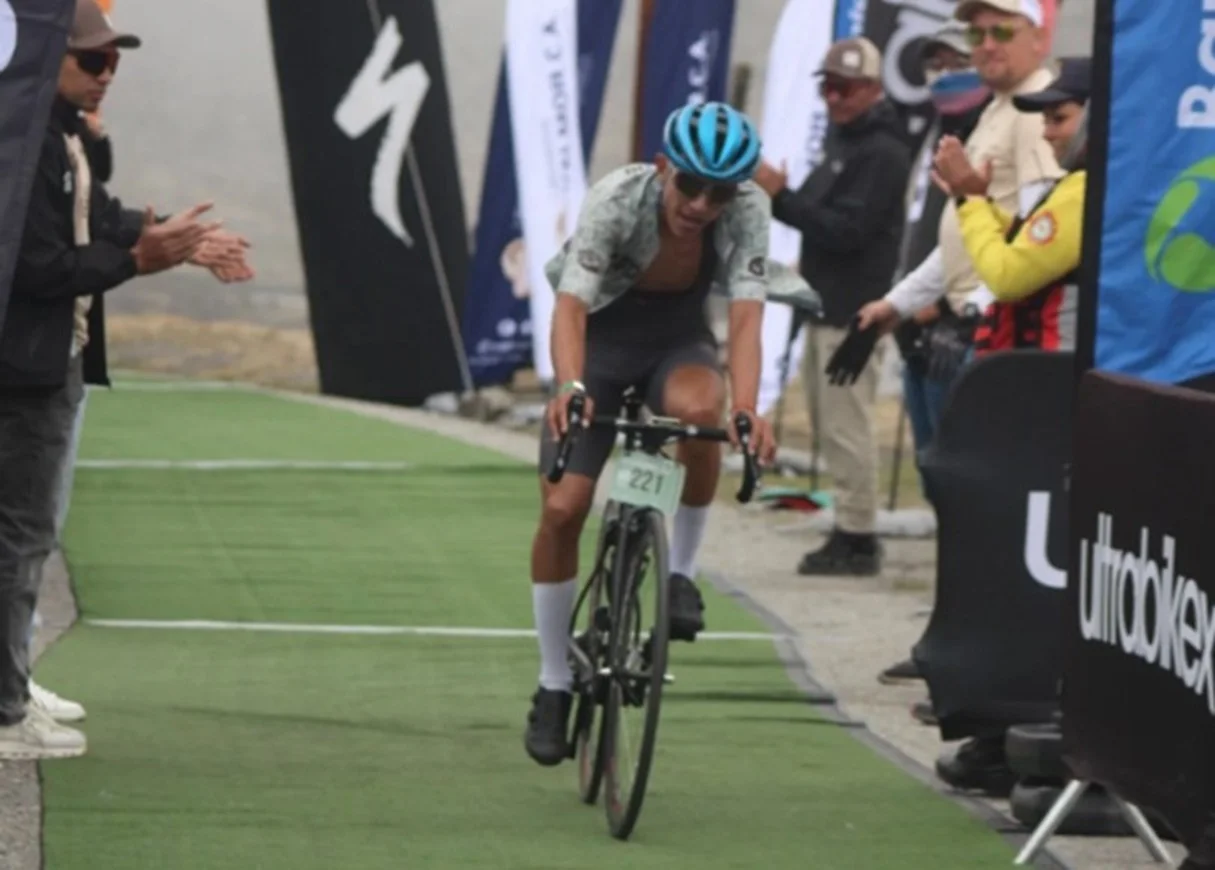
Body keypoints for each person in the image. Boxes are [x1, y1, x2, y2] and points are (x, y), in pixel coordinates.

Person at [0, 0, 252, 760]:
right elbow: (39, 269)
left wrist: (179, 237)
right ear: (49, 59)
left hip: (48, 361)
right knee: (21, 536)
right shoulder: (26, 147)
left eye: (113, 60)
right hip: (27, 369)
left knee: (27, 535)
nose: (107, 73)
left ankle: (12, 683)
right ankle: (5, 709)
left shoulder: (60, 137)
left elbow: (101, 216)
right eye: (92, 59)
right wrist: (143, 260)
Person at [523, 101, 778, 766]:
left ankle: (681, 574)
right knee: (563, 508)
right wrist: (569, 386)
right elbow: (570, 306)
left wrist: (748, 407)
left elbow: (746, 319)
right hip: (600, 343)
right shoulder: (617, 198)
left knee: (702, 413)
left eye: (718, 193)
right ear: (663, 167)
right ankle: (553, 682)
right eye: (689, 185)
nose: (700, 205)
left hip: (675, 341)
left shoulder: (748, 209)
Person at [752, 37, 913, 576]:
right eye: (828, 87)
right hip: (829, 306)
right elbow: (827, 222)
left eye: (845, 88)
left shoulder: (882, 152)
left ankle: (858, 535)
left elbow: (848, 230)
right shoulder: (846, 143)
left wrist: (781, 198)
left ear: (871, 89)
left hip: (854, 313)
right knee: (832, 421)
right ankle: (851, 526)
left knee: (847, 426)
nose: (835, 98)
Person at [947, 56, 1089, 356]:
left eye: (1059, 119)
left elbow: (1007, 277)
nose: (1046, 133)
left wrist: (971, 201)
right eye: (1045, 121)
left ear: (1096, 119)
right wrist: (979, 200)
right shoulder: (1086, 184)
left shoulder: (1084, 190)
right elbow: (1027, 243)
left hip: (1057, 368)